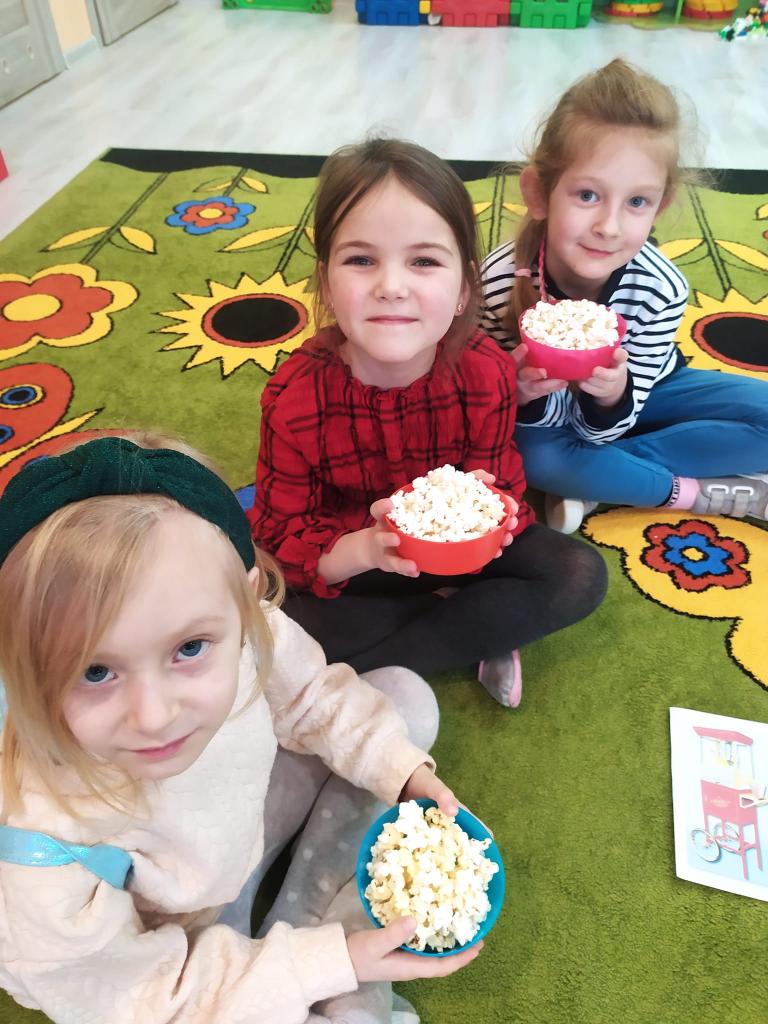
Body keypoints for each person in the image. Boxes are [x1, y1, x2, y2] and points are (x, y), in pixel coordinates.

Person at [0, 434, 481, 1024]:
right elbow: (139, 997)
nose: (154, 716)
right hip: (173, 938)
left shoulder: (236, 621)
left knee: (404, 700)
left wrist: (402, 775)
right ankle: (307, 955)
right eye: (94, 671)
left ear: (247, 602)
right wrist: (327, 964)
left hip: (235, 833)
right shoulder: (38, 847)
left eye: (189, 649)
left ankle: (300, 921)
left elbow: (310, 694)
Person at [249, 138, 607, 709]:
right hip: (356, 561)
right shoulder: (295, 398)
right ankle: (474, 628)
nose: (392, 286)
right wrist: (367, 549)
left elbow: (505, 490)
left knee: (579, 573)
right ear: (326, 283)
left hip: (465, 557)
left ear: (464, 288)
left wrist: (491, 511)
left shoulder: (485, 372)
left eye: (423, 261)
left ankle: (372, 666)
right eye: (361, 259)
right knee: (275, 615)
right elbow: (279, 546)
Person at [480, 59, 768, 534]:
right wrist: (522, 392)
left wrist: (613, 396)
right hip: (543, 424)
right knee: (536, 457)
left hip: (648, 390)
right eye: (587, 195)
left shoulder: (660, 289)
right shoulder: (497, 282)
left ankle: (598, 478)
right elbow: (499, 410)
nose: (609, 227)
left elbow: (617, 418)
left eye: (636, 202)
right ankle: (680, 490)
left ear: (659, 207)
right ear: (539, 193)